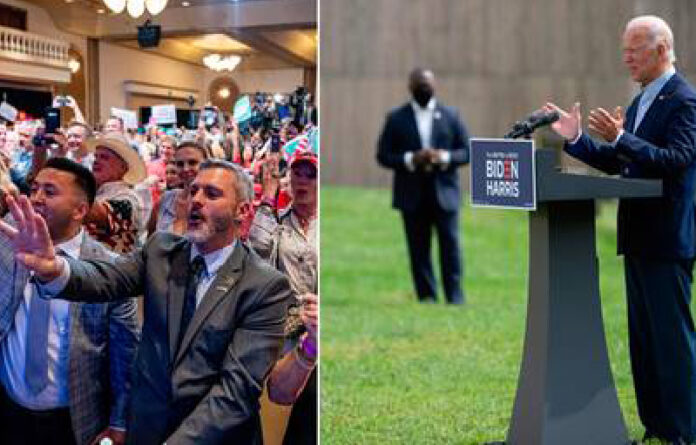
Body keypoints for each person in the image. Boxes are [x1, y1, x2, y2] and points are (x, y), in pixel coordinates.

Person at [0, 159, 292, 444]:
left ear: (242, 210)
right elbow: (106, 277)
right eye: (193, 191)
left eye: (212, 194)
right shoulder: (161, 251)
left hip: (216, 436)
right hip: (146, 429)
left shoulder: (264, 286)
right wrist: (54, 269)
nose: (196, 200)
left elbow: (235, 392)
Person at [544, 15, 696, 443]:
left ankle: (682, 430)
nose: (625, 57)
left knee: (672, 341)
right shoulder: (642, 100)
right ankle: (656, 426)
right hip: (639, 237)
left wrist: (623, 138)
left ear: (662, 49)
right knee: (645, 342)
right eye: (624, 49)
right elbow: (623, 162)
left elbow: (675, 159)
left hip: (667, 239)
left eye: (634, 49)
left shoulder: (684, 100)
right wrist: (576, 140)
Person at [0, 158, 139, 445]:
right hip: (8, 409)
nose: (36, 197)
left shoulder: (109, 271)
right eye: (34, 188)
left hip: (75, 421)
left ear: (80, 210)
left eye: (50, 192)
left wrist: (119, 422)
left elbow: (125, 356)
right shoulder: (8, 241)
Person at [376, 68, 470, 304]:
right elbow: (383, 155)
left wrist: (444, 157)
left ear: (435, 86)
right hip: (412, 193)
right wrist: (411, 159)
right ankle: (426, 296)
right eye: (419, 85)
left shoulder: (451, 115)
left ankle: (455, 297)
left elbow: (467, 152)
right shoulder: (396, 118)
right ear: (410, 87)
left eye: (427, 84)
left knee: (450, 247)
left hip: (444, 192)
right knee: (418, 249)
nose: (423, 88)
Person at [250, 150, 318, 445]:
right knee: (279, 404)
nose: (302, 181)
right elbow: (255, 252)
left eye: (310, 175)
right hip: (286, 329)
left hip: (324, 322)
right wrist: (268, 196)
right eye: (297, 173)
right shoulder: (277, 221)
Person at [84, 132, 148, 253]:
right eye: (96, 156)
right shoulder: (93, 192)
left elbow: (100, 213)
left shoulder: (130, 198)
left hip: (112, 268)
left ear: (123, 167)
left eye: (104, 157)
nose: (96, 161)